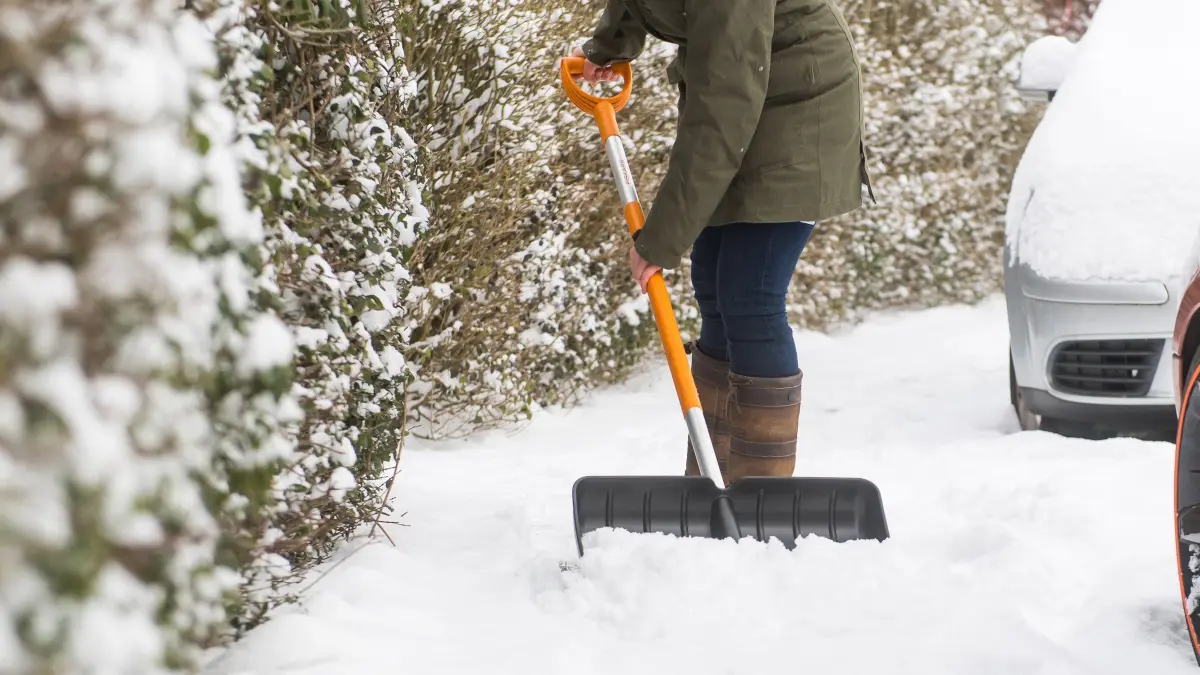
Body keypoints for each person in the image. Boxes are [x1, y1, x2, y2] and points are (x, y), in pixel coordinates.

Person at [570, 0, 873, 484]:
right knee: (713, 285)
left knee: (750, 296)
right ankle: (714, 480)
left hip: (799, 107)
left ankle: (761, 495)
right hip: (749, 94)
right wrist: (610, 47)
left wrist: (660, 239)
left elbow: (723, 105)